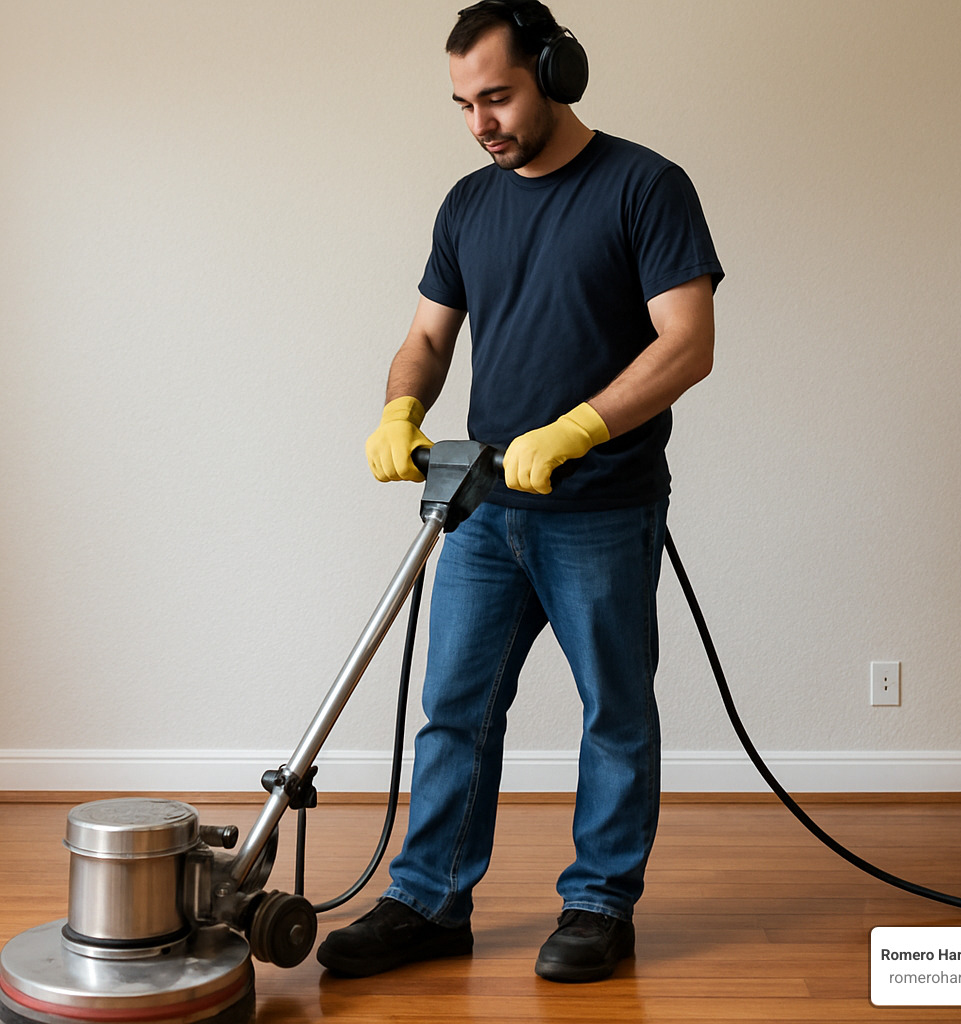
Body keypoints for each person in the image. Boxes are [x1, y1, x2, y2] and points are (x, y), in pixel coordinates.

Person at [316, 0, 723, 983]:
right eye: (463, 104)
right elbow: (425, 336)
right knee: (454, 707)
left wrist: (582, 425)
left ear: (557, 68)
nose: (481, 121)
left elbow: (688, 342)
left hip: (603, 508)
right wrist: (399, 412)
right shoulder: (467, 203)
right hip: (487, 510)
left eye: (496, 95)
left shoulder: (645, 187)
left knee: (613, 711)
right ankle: (427, 901)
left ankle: (596, 904)